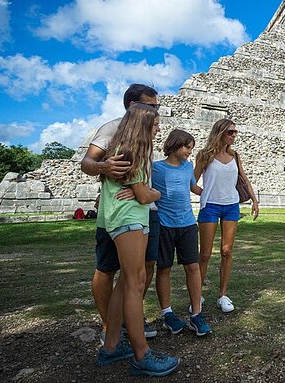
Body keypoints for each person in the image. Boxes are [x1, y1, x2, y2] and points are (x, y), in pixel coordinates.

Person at [96, 104, 179, 376]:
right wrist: (154, 193)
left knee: (125, 284)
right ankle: (142, 355)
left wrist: (144, 192)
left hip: (129, 219)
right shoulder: (132, 151)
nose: (158, 129)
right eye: (155, 124)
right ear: (143, 124)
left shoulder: (126, 148)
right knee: (136, 283)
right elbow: (144, 195)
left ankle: (111, 347)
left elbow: (138, 191)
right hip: (128, 219)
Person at [81, 83, 160, 342]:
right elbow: (87, 163)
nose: (156, 111)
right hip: (119, 212)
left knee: (144, 268)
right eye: (150, 106)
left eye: (156, 106)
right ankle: (109, 325)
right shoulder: (112, 128)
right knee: (107, 268)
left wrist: (142, 191)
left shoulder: (146, 131)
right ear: (131, 105)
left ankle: (128, 318)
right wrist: (104, 167)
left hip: (144, 210)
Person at [194, 119, 259, 313]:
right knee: (205, 254)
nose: (233, 135)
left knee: (227, 251)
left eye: (235, 132)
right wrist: (204, 194)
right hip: (210, 207)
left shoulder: (235, 156)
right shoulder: (204, 155)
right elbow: (191, 181)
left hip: (231, 206)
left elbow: (244, 179)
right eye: (230, 132)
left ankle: (223, 295)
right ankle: (197, 295)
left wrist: (254, 201)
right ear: (220, 132)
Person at [152, 129, 212, 336]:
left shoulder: (188, 167)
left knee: (193, 267)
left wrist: (213, 196)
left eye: (191, 148)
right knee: (164, 269)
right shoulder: (155, 168)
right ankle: (167, 313)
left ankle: (196, 314)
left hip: (187, 224)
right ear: (175, 144)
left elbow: (193, 187)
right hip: (164, 224)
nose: (189, 152)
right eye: (187, 147)